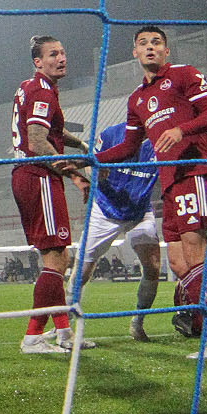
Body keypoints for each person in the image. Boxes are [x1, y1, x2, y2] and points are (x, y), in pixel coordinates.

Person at [94, 26, 207, 359]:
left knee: (196, 252)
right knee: (177, 262)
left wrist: (179, 129)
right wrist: (90, 160)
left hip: (193, 172)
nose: (150, 47)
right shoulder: (137, 99)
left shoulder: (185, 75)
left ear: (167, 50)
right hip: (168, 182)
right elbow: (128, 146)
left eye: (156, 42)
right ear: (134, 52)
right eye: (143, 43)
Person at [10, 35, 94, 354]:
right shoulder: (42, 90)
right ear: (38, 62)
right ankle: (33, 337)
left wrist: (81, 145)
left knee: (60, 257)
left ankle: (62, 334)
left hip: (34, 175)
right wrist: (75, 175)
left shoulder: (35, 88)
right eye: (53, 54)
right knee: (56, 259)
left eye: (63, 51)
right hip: (39, 176)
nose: (62, 58)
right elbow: (37, 141)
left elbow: (54, 132)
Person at [75, 121, 161, 341]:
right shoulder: (112, 133)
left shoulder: (160, 139)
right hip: (105, 208)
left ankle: (138, 322)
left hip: (139, 209)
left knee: (152, 267)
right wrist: (95, 173)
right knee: (82, 272)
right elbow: (89, 164)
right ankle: (62, 327)